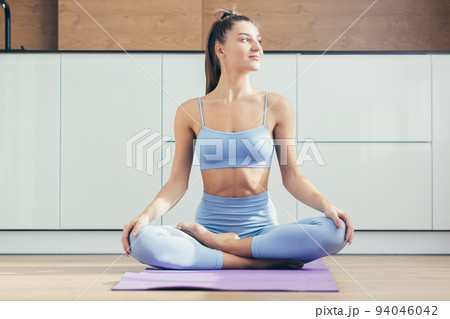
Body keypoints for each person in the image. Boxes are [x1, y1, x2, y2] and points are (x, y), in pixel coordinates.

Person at [121, 8, 354, 270]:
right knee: (141, 239)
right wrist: (145, 217)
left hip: (262, 231)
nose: (257, 47)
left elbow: (293, 177)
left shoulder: (276, 105)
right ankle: (254, 263)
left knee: (334, 230)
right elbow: (177, 182)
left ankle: (222, 248)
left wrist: (327, 206)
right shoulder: (189, 111)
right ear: (220, 50)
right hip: (209, 223)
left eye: (259, 41)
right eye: (245, 39)